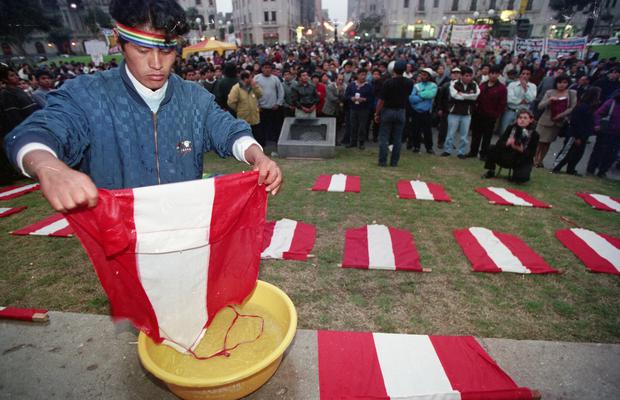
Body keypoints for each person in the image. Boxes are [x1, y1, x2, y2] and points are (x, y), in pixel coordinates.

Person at [3, 0, 281, 213]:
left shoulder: (194, 99)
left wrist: (258, 156)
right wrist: (50, 168)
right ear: (121, 45)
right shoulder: (86, 96)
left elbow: (230, 131)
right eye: (143, 50)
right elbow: (34, 134)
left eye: (166, 51)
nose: (157, 64)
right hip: (118, 236)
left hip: (183, 225)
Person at [552, 87, 601, 175]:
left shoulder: (590, 107)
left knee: (577, 154)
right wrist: (577, 136)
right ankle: (556, 167)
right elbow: (575, 122)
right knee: (567, 151)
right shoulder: (582, 107)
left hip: (583, 135)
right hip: (575, 134)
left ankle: (571, 169)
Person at [482, 109, 539, 183]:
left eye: (525, 118)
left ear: (530, 120)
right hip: (507, 154)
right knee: (491, 148)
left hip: (521, 158)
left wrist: (522, 150)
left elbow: (532, 154)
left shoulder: (534, 134)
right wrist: (507, 143)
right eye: (520, 118)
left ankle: (517, 175)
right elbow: (499, 143)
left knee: (521, 179)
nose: (522, 120)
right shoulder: (511, 128)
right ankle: (491, 170)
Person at [375, 60, 413, 167]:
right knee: (397, 139)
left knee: (384, 137)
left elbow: (381, 100)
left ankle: (382, 161)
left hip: (388, 110)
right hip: (401, 111)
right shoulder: (409, 83)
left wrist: (377, 113)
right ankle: (394, 162)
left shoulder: (388, 82)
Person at [534, 75, 577, 168]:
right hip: (545, 121)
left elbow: (572, 107)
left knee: (547, 142)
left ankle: (541, 160)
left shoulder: (571, 93)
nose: (561, 85)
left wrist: (561, 115)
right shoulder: (550, 92)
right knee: (539, 141)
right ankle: (534, 159)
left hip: (557, 122)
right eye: (559, 82)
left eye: (564, 82)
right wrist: (549, 100)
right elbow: (540, 106)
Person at [468, 65, 507, 160]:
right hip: (478, 114)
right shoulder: (482, 85)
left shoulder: (502, 88)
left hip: (490, 116)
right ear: (489, 74)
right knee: (476, 135)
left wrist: (496, 114)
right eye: (492, 73)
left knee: (487, 136)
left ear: (498, 75)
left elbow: (502, 104)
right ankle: (473, 152)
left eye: (496, 74)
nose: (493, 75)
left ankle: (483, 154)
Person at [441, 66, 479, 159]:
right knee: (450, 133)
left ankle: (461, 152)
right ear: (461, 76)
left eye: (470, 76)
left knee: (464, 135)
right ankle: (447, 150)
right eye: (466, 75)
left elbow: (475, 96)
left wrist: (462, 95)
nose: (468, 78)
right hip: (454, 112)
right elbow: (454, 95)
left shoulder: (474, 84)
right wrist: (468, 96)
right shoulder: (454, 83)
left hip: (467, 113)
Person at [586, 91, 620, 178]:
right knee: (598, 151)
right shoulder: (612, 102)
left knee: (611, 155)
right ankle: (591, 170)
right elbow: (598, 113)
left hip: (617, 135)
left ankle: (602, 171)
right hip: (606, 132)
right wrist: (598, 124)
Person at [499, 67, 536, 137]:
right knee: (504, 132)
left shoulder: (533, 86)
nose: (525, 76)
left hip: (524, 113)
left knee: (520, 134)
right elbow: (509, 98)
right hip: (511, 111)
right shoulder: (512, 85)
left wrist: (525, 88)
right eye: (523, 73)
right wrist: (522, 101)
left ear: (530, 76)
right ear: (520, 74)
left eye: (528, 74)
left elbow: (531, 99)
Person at [228, 71, 263, 145]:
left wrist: (255, 87)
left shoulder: (253, 86)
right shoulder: (236, 88)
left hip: (254, 117)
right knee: (245, 138)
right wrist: (239, 109)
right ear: (245, 79)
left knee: (256, 136)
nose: (253, 80)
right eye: (251, 78)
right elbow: (231, 102)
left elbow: (260, 95)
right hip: (243, 118)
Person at [408, 68, 437, 154]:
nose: (422, 76)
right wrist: (423, 95)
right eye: (421, 75)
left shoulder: (433, 85)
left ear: (429, 76)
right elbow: (411, 98)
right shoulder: (416, 86)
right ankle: (416, 146)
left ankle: (429, 148)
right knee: (415, 130)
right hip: (416, 111)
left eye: (424, 75)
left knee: (427, 131)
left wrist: (419, 94)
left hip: (426, 112)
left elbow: (430, 95)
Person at [254, 62, 284, 144]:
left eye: (269, 68)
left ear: (271, 69)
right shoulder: (256, 78)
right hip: (261, 108)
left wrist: (278, 103)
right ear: (262, 68)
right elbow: (252, 93)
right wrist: (257, 105)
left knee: (275, 127)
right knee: (261, 128)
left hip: (273, 108)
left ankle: (275, 143)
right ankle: (261, 144)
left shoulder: (275, 79)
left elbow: (281, 92)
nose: (267, 69)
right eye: (265, 67)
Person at [345, 69, 373, 149]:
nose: (363, 77)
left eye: (365, 75)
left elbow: (371, 98)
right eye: (361, 75)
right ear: (357, 75)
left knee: (362, 126)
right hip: (353, 108)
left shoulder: (368, 86)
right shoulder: (351, 85)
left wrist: (364, 99)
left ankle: (361, 142)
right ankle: (352, 142)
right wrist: (351, 98)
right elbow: (346, 96)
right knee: (353, 125)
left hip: (364, 109)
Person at [434, 67, 460, 150]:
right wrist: (439, 108)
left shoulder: (461, 85)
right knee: (443, 127)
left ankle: (449, 142)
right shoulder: (446, 85)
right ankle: (441, 142)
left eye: (458, 73)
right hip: (446, 109)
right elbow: (440, 98)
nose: (456, 75)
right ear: (451, 74)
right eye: (454, 73)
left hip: (456, 109)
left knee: (452, 128)